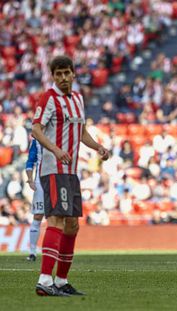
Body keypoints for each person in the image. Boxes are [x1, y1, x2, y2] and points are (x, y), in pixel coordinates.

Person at [32, 55, 109, 296]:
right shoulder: (48, 98)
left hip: (71, 171)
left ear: (73, 74)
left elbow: (81, 130)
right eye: (59, 74)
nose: (64, 78)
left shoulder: (77, 98)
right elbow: (36, 129)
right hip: (53, 169)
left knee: (72, 225)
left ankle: (61, 281)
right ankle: (45, 281)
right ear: (53, 76)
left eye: (67, 73)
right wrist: (55, 149)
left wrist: (97, 147)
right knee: (55, 219)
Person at [25, 138, 44, 261]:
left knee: (59, 216)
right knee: (38, 215)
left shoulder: (60, 134)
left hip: (58, 181)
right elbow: (30, 161)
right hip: (41, 182)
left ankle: (58, 251)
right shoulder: (37, 140)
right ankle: (32, 252)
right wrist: (30, 179)